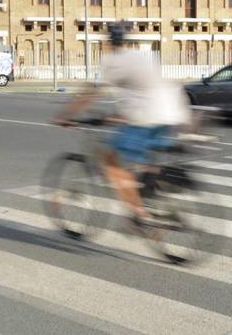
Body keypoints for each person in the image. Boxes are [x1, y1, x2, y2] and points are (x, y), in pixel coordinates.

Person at [56, 20, 191, 227]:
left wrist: (65, 115)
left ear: (109, 42)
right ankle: (156, 199)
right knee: (142, 161)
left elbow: (91, 93)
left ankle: (140, 213)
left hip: (147, 116)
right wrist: (116, 116)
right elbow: (139, 89)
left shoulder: (113, 61)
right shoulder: (141, 57)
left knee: (110, 162)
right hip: (171, 112)